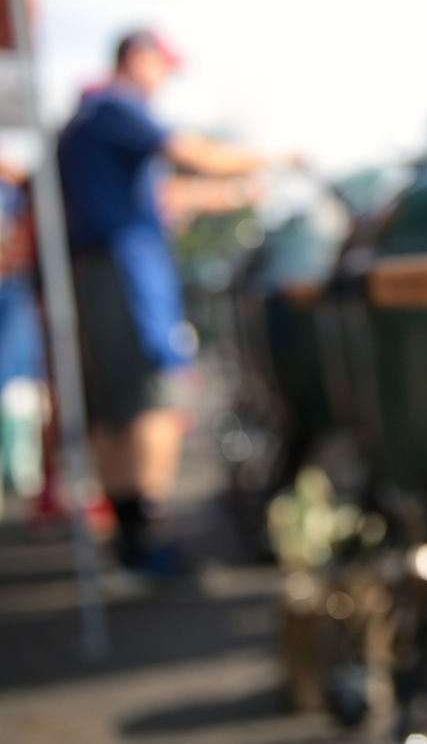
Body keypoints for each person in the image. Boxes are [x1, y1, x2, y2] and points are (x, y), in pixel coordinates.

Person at [57, 29, 268, 579]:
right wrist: (270, 159)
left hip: (108, 273)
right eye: (162, 67)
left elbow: (165, 197)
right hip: (125, 277)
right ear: (137, 59)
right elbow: (192, 153)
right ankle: (147, 545)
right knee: (153, 405)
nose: (165, 80)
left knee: (121, 408)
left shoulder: (91, 122)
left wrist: (228, 196)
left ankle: (133, 541)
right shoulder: (114, 109)